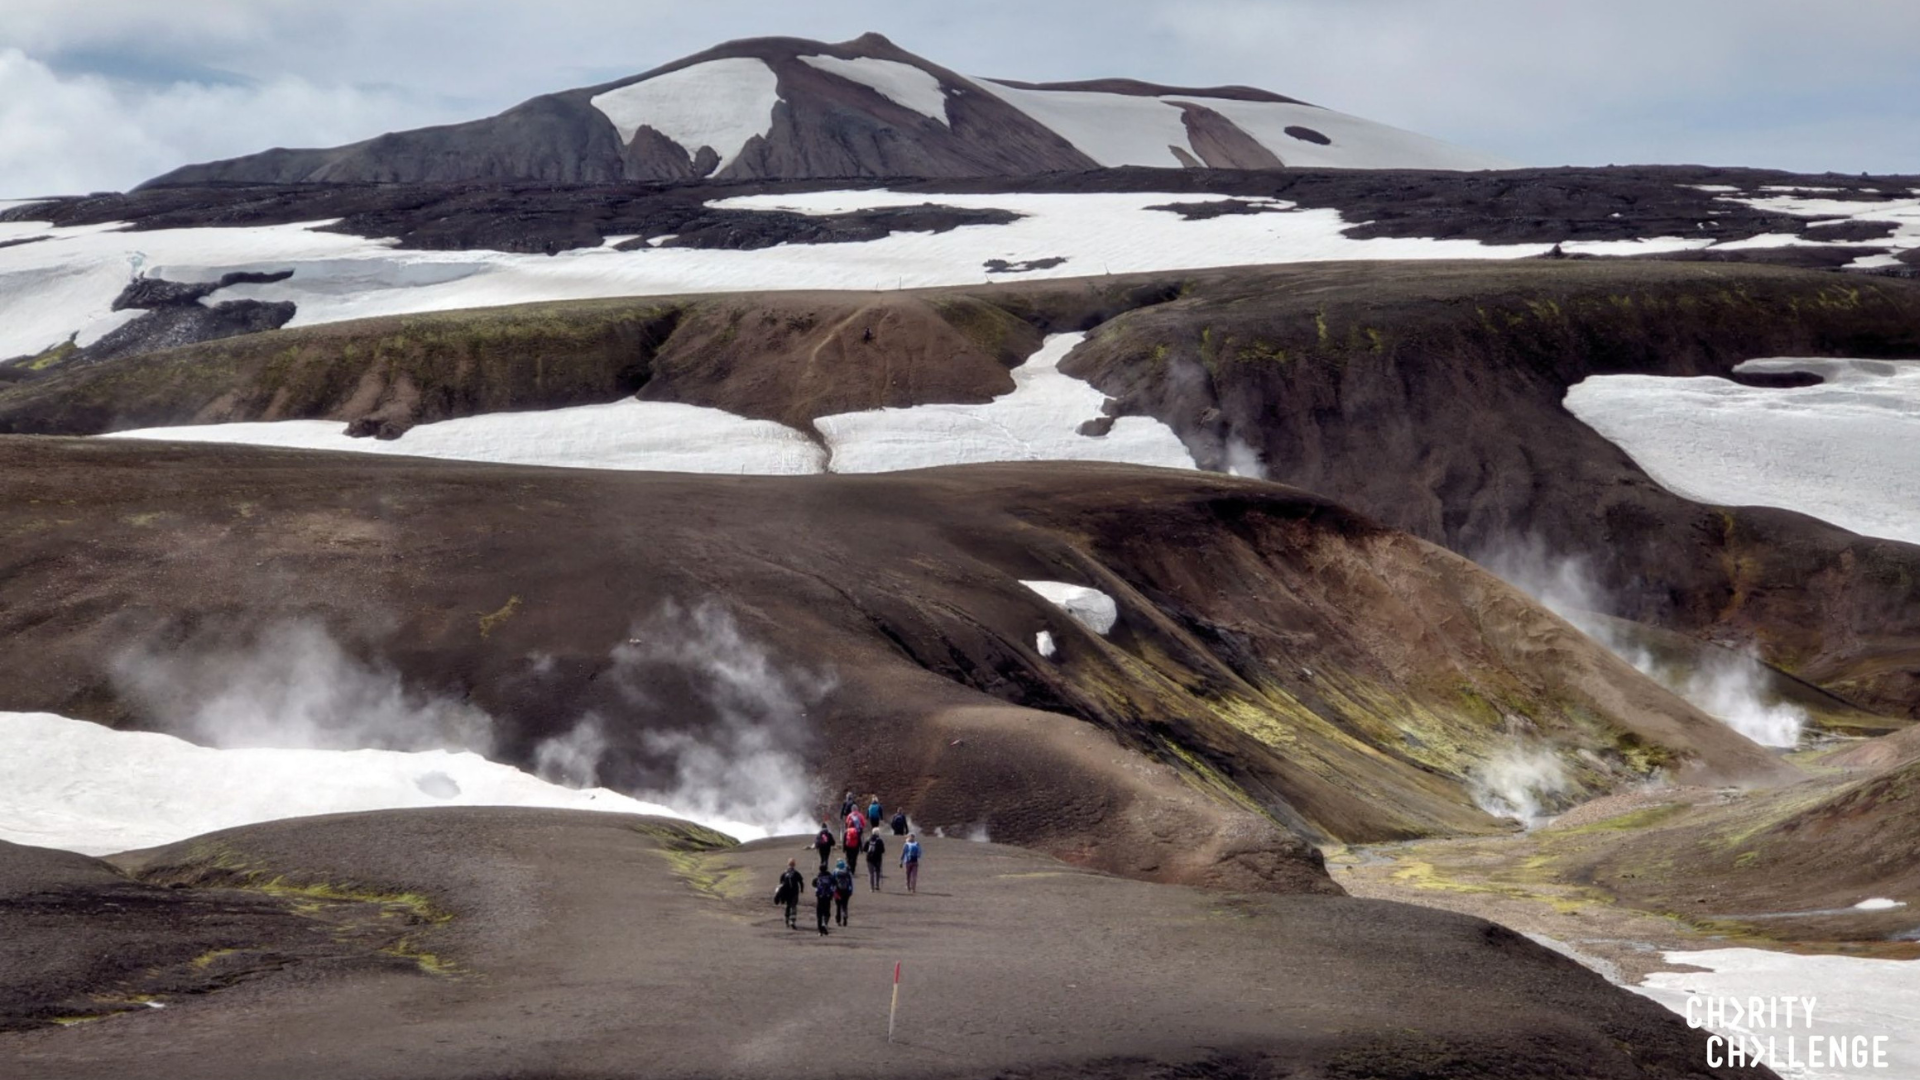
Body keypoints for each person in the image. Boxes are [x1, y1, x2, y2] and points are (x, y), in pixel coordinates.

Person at [775, 858, 805, 930]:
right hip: (794, 892)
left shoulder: (784, 873)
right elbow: (801, 882)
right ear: (794, 865)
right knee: (793, 906)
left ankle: (787, 919)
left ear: (788, 864)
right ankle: (792, 920)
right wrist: (801, 889)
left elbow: (781, 883)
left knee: (788, 906)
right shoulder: (796, 873)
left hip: (786, 892)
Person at [812, 865, 836, 936]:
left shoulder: (818, 876)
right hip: (828, 897)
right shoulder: (830, 877)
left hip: (820, 897)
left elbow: (813, 884)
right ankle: (824, 924)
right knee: (827, 912)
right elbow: (835, 883)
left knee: (819, 914)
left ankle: (820, 930)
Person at [832, 859, 856, 926]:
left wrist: (833, 891)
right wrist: (850, 890)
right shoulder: (847, 872)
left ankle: (838, 920)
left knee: (838, 906)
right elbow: (850, 882)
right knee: (845, 905)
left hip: (837, 890)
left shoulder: (835, 871)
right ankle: (845, 916)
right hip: (846, 891)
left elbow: (832, 881)